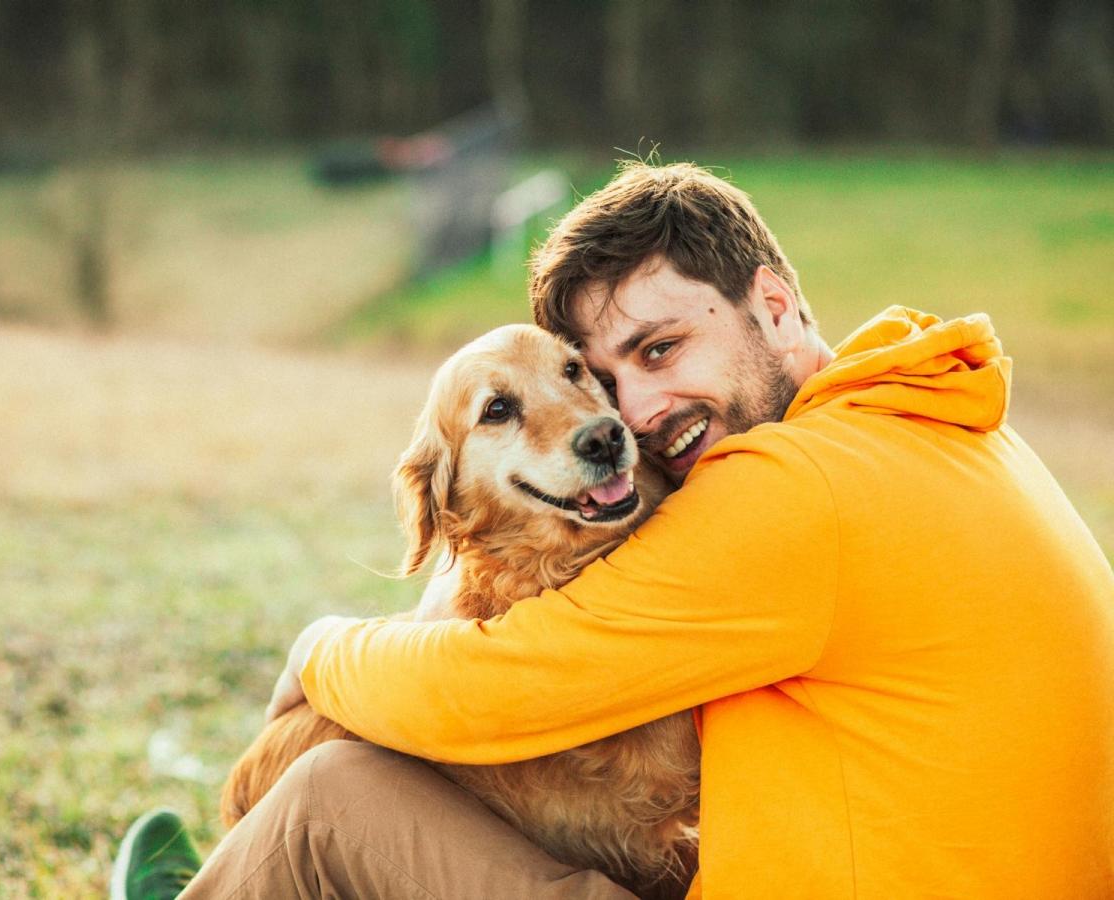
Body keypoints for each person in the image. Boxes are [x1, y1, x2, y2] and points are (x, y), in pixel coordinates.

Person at [112, 162, 1114, 900]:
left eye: (664, 347)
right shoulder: (935, 429)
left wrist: (320, 648)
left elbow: (498, 688)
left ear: (772, 302)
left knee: (330, 798)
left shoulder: (794, 494)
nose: (630, 414)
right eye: (609, 370)